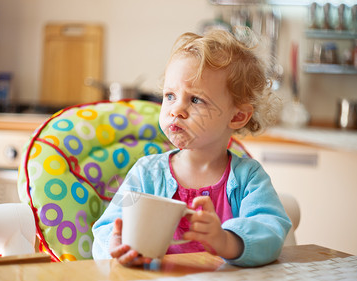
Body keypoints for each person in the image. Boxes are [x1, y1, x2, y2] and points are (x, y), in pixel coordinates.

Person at [92, 29, 291, 267]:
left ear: (237, 116)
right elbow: (108, 227)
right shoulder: (147, 174)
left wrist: (226, 240)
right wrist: (116, 245)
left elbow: (271, 230)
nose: (176, 110)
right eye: (170, 96)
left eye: (195, 99)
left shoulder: (248, 178)